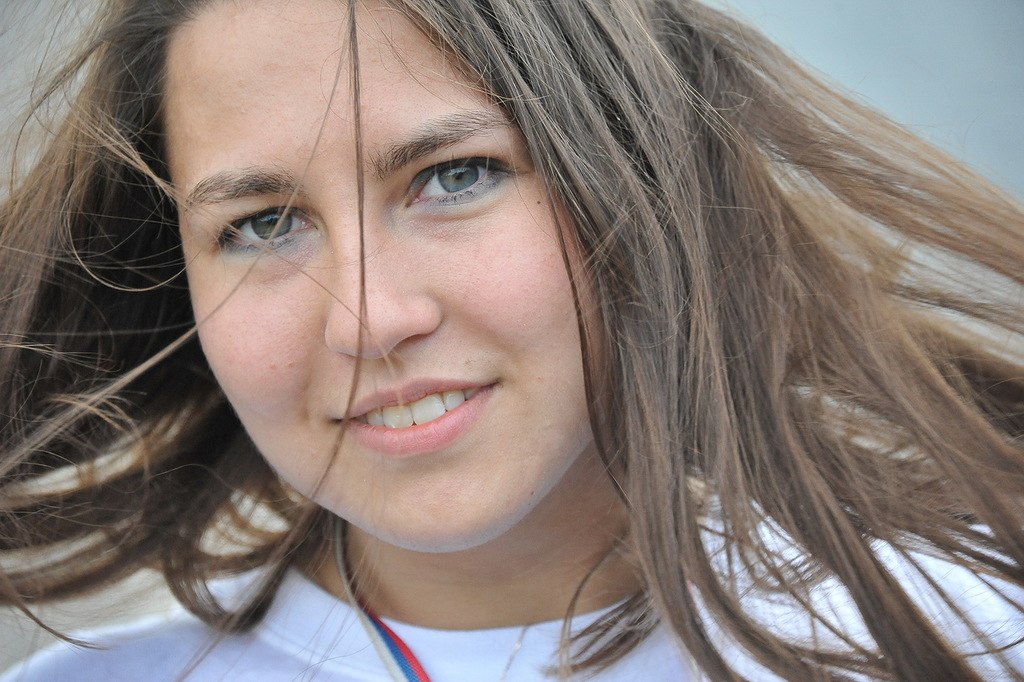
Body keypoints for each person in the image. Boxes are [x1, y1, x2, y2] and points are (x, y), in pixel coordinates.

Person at [1, 0, 1022, 680]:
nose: (368, 319)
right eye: (263, 224)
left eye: (454, 176)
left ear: (633, 181)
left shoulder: (957, 638)